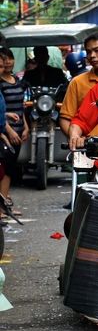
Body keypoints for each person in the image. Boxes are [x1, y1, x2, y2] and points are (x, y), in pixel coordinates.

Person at [59, 33, 98, 139]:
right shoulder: (77, 82)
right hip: (89, 150)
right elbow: (65, 118)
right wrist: (77, 138)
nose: (92, 56)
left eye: (97, 50)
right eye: (88, 52)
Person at [0, 48, 29, 215]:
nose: (7, 62)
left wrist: (26, 127)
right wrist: (8, 131)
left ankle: (4, 205)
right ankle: (2, 207)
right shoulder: (0, 83)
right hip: (7, 132)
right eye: (4, 60)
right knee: (4, 169)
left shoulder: (17, 80)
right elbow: (2, 111)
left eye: (9, 58)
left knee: (10, 170)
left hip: (18, 130)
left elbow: (21, 107)